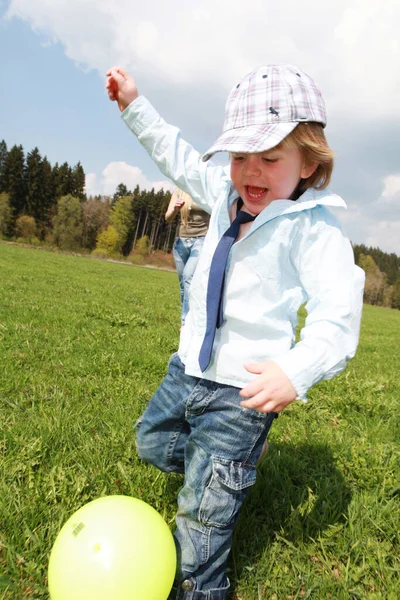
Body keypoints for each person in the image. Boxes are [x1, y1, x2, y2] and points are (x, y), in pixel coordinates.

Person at [106, 64, 365, 600]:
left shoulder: (311, 230)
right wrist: (133, 105)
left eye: (270, 158)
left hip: (241, 393)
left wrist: (295, 372)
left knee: (202, 521)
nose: (252, 170)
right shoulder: (219, 194)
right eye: (241, 156)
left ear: (309, 162)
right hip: (188, 370)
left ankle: (202, 583)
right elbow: (174, 153)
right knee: (151, 443)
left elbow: (338, 315)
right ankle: (230, 467)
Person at [165, 188, 210, 325]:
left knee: (188, 276)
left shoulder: (206, 189)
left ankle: (186, 322)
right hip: (181, 241)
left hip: (201, 239)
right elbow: (168, 217)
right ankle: (191, 318)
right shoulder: (179, 190)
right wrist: (175, 209)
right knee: (183, 285)